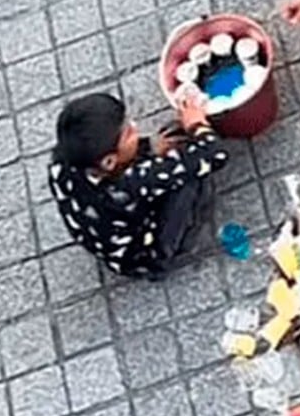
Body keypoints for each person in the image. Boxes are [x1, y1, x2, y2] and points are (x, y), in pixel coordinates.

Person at [48, 92, 229, 278]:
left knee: (171, 141)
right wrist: (196, 123)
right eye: (128, 134)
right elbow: (216, 153)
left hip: (108, 234)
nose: (135, 127)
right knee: (188, 179)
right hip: (144, 254)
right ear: (109, 162)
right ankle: (171, 253)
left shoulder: (61, 165)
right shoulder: (129, 186)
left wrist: (148, 146)